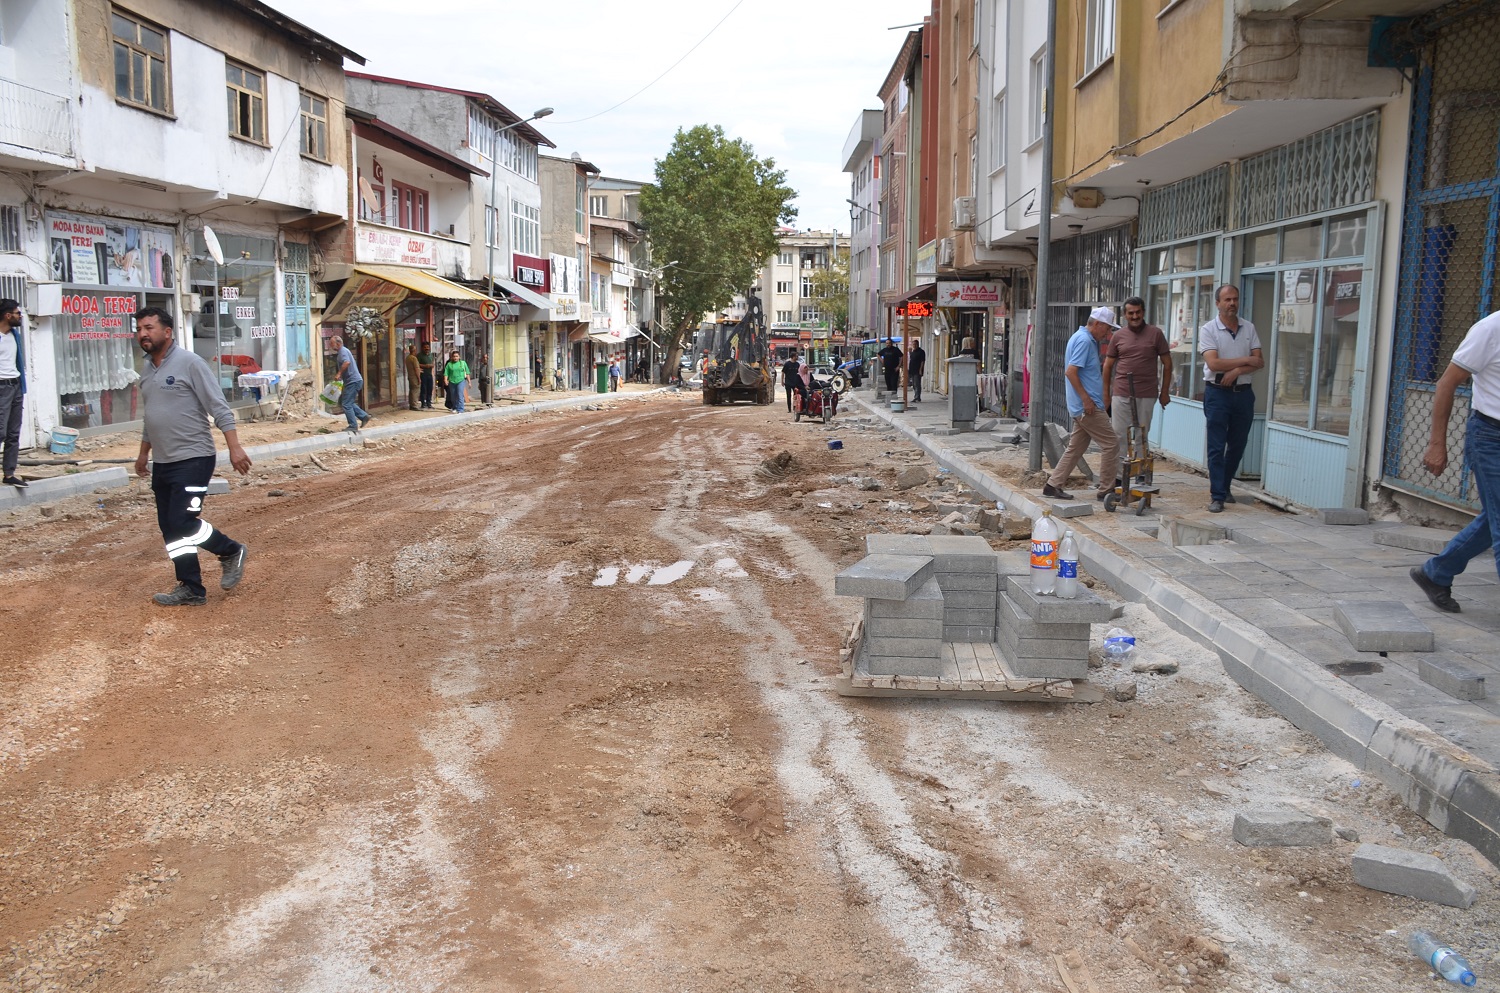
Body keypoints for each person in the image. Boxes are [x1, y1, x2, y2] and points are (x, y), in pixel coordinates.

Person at [132, 308, 251, 606]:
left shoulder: (190, 363)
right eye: (139, 329)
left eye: (149, 327)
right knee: (170, 527)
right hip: (164, 461)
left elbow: (219, 407)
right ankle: (191, 588)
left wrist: (234, 447)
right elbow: (151, 417)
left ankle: (230, 550)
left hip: (194, 457)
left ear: (167, 332)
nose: (143, 333)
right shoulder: (147, 371)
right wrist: (143, 453)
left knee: (183, 521)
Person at [1410, 311, 1500, 614]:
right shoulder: (1490, 329)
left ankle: (1435, 572)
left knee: (1495, 519)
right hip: (1491, 438)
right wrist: (1437, 444)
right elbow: (1446, 384)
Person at [1043, 307, 1121, 502]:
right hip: (1088, 407)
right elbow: (1071, 372)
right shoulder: (1085, 341)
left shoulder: (1083, 338)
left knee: (1076, 448)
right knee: (1111, 444)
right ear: (1097, 324)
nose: (1108, 333)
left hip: (1084, 406)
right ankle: (1106, 490)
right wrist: (1086, 399)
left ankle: (1053, 485)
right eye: (1107, 328)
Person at [1199, 284, 1263, 513]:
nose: (1232, 303)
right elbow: (1213, 363)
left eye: (1235, 299)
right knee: (1216, 446)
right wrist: (1246, 361)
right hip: (1217, 393)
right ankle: (1217, 496)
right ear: (1218, 303)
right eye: (1227, 299)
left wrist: (1236, 371)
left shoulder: (1249, 328)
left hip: (1243, 394)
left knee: (1238, 444)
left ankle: (1225, 487)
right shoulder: (1208, 330)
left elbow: (1260, 361)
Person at [1102, 296, 1172, 494]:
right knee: (1119, 435)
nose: (1135, 316)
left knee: (1142, 434)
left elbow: (1167, 364)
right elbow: (1107, 366)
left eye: (1138, 312)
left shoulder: (1156, 334)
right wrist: (1107, 396)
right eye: (1130, 313)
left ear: (1143, 312)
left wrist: (1164, 392)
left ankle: (1142, 472)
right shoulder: (1118, 336)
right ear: (1125, 315)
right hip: (1122, 393)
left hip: (1147, 393)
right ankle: (1117, 475)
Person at [0, 300, 27, 488]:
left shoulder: (14, 335)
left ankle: (9, 474)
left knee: (13, 432)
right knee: (0, 431)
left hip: (15, 386)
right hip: (1, 388)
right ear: (7, 315)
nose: (20, 316)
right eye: (17, 313)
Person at [330, 335, 371, 432]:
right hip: (353, 381)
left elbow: (347, 362)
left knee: (346, 404)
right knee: (349, 402)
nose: (330, 346)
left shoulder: (342, 351)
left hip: (353, 381)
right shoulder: (344, 351)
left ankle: (353, 425)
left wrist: (339, 373)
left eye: (332, 343)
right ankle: (364, 416)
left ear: (338, 343)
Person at [417, 342, 436, 409]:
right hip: (423, 374)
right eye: (425, 347)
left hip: (429, 374)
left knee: (430, 389)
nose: (426, 348)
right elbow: (417, 364)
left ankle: (429, 403)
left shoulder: (431, 355)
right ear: (422, 348)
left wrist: (431, 365)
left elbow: (433, 363)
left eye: (427, 347)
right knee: (423, 389)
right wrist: (425, 366)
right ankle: (423, 403)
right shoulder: (419, 355)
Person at [404, 343, 421, 411]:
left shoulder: (407, 358)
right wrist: (419, 378)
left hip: (410, 376)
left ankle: (411, 404)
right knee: (415, 391)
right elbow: (416, 369)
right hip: (414, 377)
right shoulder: (414, 358)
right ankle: (414, 405)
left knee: (411, 390)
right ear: (414, 350)